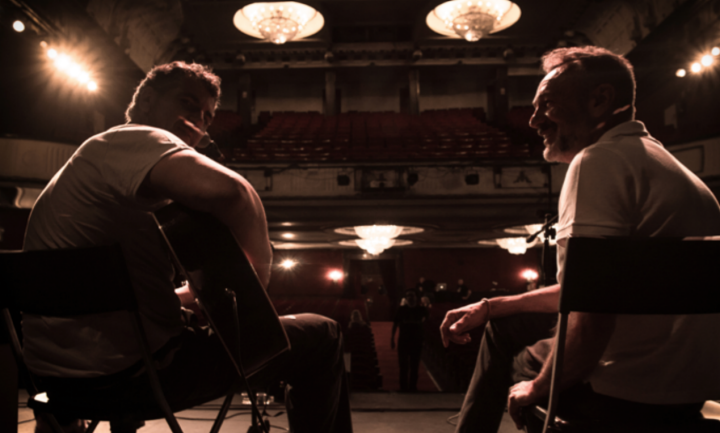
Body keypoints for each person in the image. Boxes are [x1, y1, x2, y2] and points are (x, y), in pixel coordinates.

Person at [23, 62, 352, 433]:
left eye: (207, 117)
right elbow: (233, 193)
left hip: (56, 382)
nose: (198, 122)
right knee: (323, 334)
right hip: (139, 376)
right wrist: (255, 282)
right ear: (146, 101)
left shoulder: (91, 171)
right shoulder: (131, 139)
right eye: (187, 103)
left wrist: (189, 297)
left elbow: (118, 295)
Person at [440, 46, 720, 433]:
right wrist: (493, 305)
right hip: (688, 385)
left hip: (624, 389)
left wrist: (535, 389)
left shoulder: (597, 162)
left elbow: (591, 319)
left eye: (547, 105)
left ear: (600, 99)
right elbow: (594, 289)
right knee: (503, 320)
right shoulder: (668, 167)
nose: (534, 121)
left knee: (508, 342)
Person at [391, 290, 429, 392]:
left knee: (414, 365)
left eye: (412, 296)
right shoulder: (402, 309)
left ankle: (412, 387)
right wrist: (392, 339)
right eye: (408, 296)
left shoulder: (421, 309)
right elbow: (395, 324)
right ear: (406, 298)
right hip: (404, 340)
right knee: (403, 365)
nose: (410, 298)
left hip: (416, 340)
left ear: (416, 298)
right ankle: (403, 387)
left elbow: (427, 324)